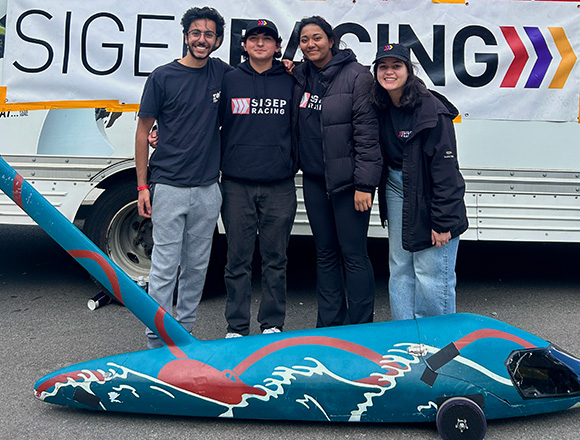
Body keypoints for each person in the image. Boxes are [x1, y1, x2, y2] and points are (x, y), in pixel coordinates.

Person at [135, 7, 232, 349]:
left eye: (208, 34)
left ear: (217, 40)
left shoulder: (223, 74)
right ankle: (156, 340)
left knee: (196, 268)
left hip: (208, 187)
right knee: (164, 267)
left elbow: (256, 80)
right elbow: (143, 130)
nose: (201, 40)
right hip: (169, 185)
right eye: (195, 33)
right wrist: (143, 185)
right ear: (185, 35)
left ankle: (184, 334)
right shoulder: (162, 77)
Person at [291, 16, 383, 327]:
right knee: (325, 254)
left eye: (317, 38)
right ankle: (329, 325)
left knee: (354, 256)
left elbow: (368, 135)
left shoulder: (358, 77)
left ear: (331, 40)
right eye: (304, 40)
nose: (311, 44)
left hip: (348, 185)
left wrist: (365, 185)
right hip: (315, 181)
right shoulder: (302, 74)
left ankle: (359, 327)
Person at [370, 43, 468, 321]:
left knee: (431, 271)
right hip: (395, 186)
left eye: (396, 66)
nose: (389, 72)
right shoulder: (380, 103)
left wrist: (443, 222)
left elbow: (446, 171)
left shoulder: (431, 111)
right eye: (383, 67)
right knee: (400, 266)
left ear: (409, 71)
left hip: (430, 191)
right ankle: (405, 337)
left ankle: (434, 342)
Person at [220, 20, 297, 338]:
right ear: (244, 45)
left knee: (275, 259)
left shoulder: (292, 80)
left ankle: (272, 323)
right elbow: (210, 122)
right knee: (236, 259)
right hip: (237, 183)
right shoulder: (230, 80)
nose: (260, 44)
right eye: (254, 39)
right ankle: (237, 326)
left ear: (277, 46)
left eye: (267, 39)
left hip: (279, 183)